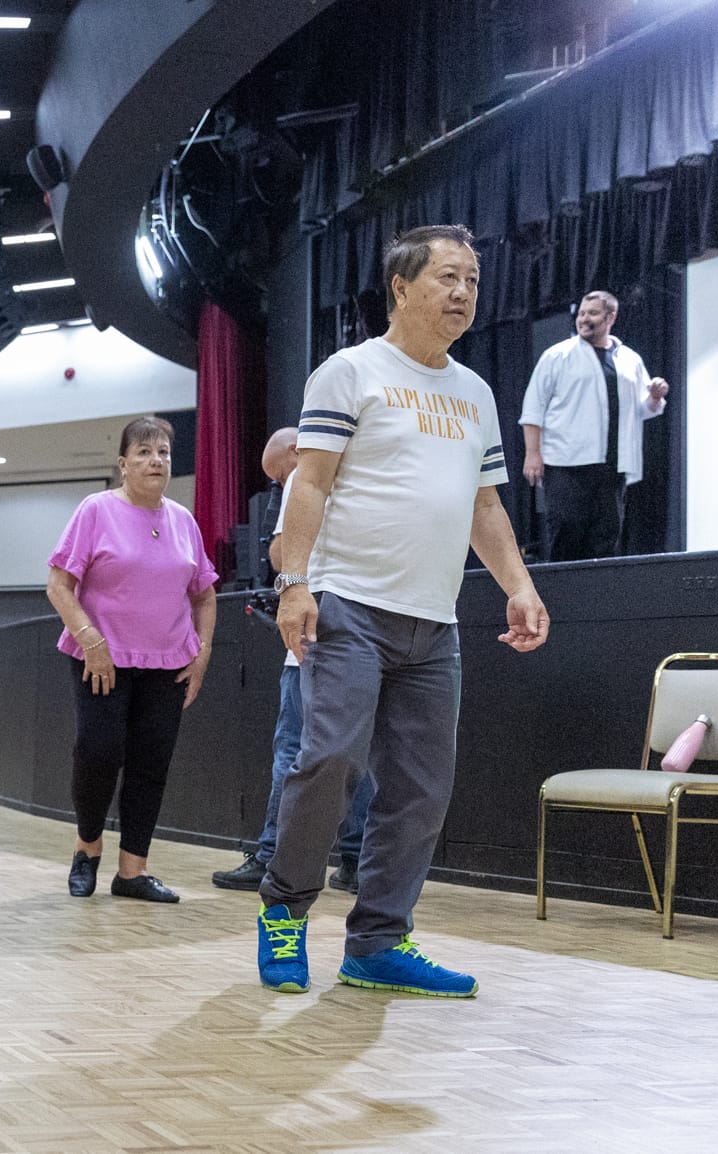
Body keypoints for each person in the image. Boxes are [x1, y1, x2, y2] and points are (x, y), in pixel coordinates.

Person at [261, 225, 548, 998]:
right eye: (448, 277)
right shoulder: (350, 372)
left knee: (421, 788)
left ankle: (377, 942)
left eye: (472, 281)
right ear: (401, 285)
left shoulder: (475, 392)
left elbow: (483, 503)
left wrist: (517, 584)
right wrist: (295, 582)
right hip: (347, 604)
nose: (462, 294)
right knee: (330, 763)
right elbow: (308, 484)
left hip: (434, 620)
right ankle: (284, 912)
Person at [46, 416, 219, 903]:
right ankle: (87, 851)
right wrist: (91, 640)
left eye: (163, 452)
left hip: (168, 664)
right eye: (143, 452)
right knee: (98, 753)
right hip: (100, 661)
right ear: (123, 464)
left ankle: (132, 872)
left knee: (151, 763)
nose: (156, 460)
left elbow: (205, 595)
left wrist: (202, 653)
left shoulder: (183, 521)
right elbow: (59, 586)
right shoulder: (95, 510)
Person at [211, 428, 375, 895]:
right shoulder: (361, 470)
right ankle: (356, 861)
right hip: (363, 631)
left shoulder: (308, 468)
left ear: (293, 451)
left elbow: (283, 553)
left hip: (309, 639)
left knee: (292, 754)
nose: (280, 486)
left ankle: (270, 857)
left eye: (278, 475)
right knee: (356, 755)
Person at [520, 290, 671, 561]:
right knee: (566, 535)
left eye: (593, 313)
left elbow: (640, 409)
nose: (584, 319)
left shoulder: (629, 359)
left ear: (610, 316)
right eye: (581, 313)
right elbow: (533, 408)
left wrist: (655, 397)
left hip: (613, 467)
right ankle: (562, 598)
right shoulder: (557, 356)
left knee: (606, 539)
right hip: (566, 465)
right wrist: (533, 454)